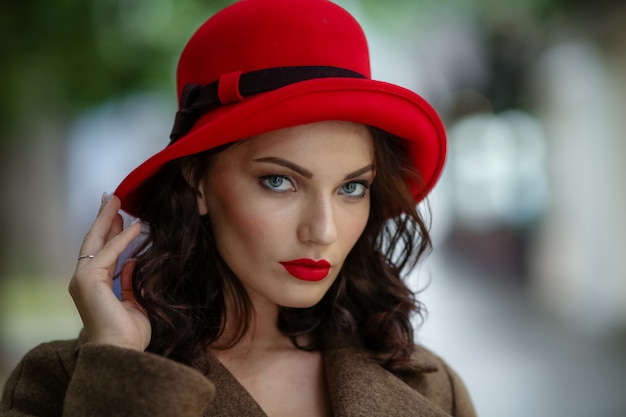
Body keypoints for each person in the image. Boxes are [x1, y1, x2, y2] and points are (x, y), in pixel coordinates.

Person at [0, 0, 476, 416]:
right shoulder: (63, 382)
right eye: (279, 181)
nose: (323, 231)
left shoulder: (433, 385)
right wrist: (120, 364)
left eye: (352, 188)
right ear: (198, 184)